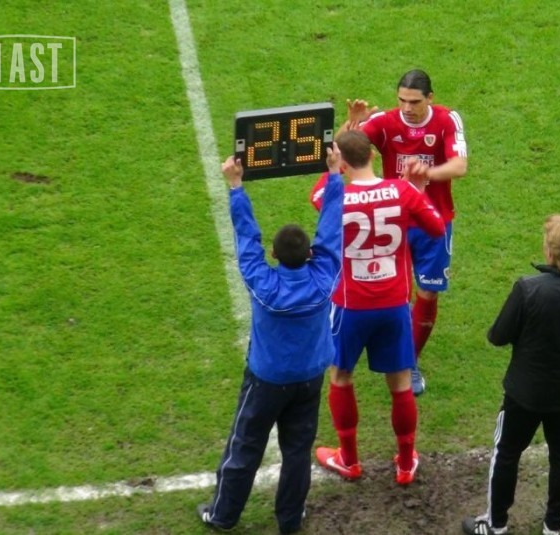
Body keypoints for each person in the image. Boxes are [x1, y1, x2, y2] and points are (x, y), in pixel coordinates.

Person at [197, 147, 344, 534]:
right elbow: (332, 231)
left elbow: (247, 240)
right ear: (310, 253)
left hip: (266, 381)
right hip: (309, 378)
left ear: (274, 254)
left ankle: (223, 515)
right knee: (297, 452)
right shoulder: (325, 277)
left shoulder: (264, 285)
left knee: (245, 445)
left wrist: (236, 187)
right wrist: (334, 177)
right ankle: (290, 520)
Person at [461, 215, 560, 535]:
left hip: (524, 395)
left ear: (550, 252)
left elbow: (497, 336)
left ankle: (496, 524)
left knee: (506, 453)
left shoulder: (528, 289)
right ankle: (553, 526)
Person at [311, 130, 445, 485]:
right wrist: (416, 192)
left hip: (350, 305)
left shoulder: (336, 196)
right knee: (400, 382)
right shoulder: (402, 191)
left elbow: (318, 193)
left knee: (341, 376)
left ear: (341, 163)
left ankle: (349, 460)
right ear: (373, 155)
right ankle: (405, 464)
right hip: (394, 305)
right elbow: (435, 227)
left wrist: (332, 167)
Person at [343, 69, 468, 396]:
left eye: (414, 102)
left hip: (434, 220)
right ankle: (372, 347)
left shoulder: (447, 120)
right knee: (393, 291)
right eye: (402, 100)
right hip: (392, 220)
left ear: (430, 98)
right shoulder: (385, 122)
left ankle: (409, 362)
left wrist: (427, 172)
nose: (407, 108)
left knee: (428, 292)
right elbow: (343, 151)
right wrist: (352, 123)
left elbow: (460, 166)